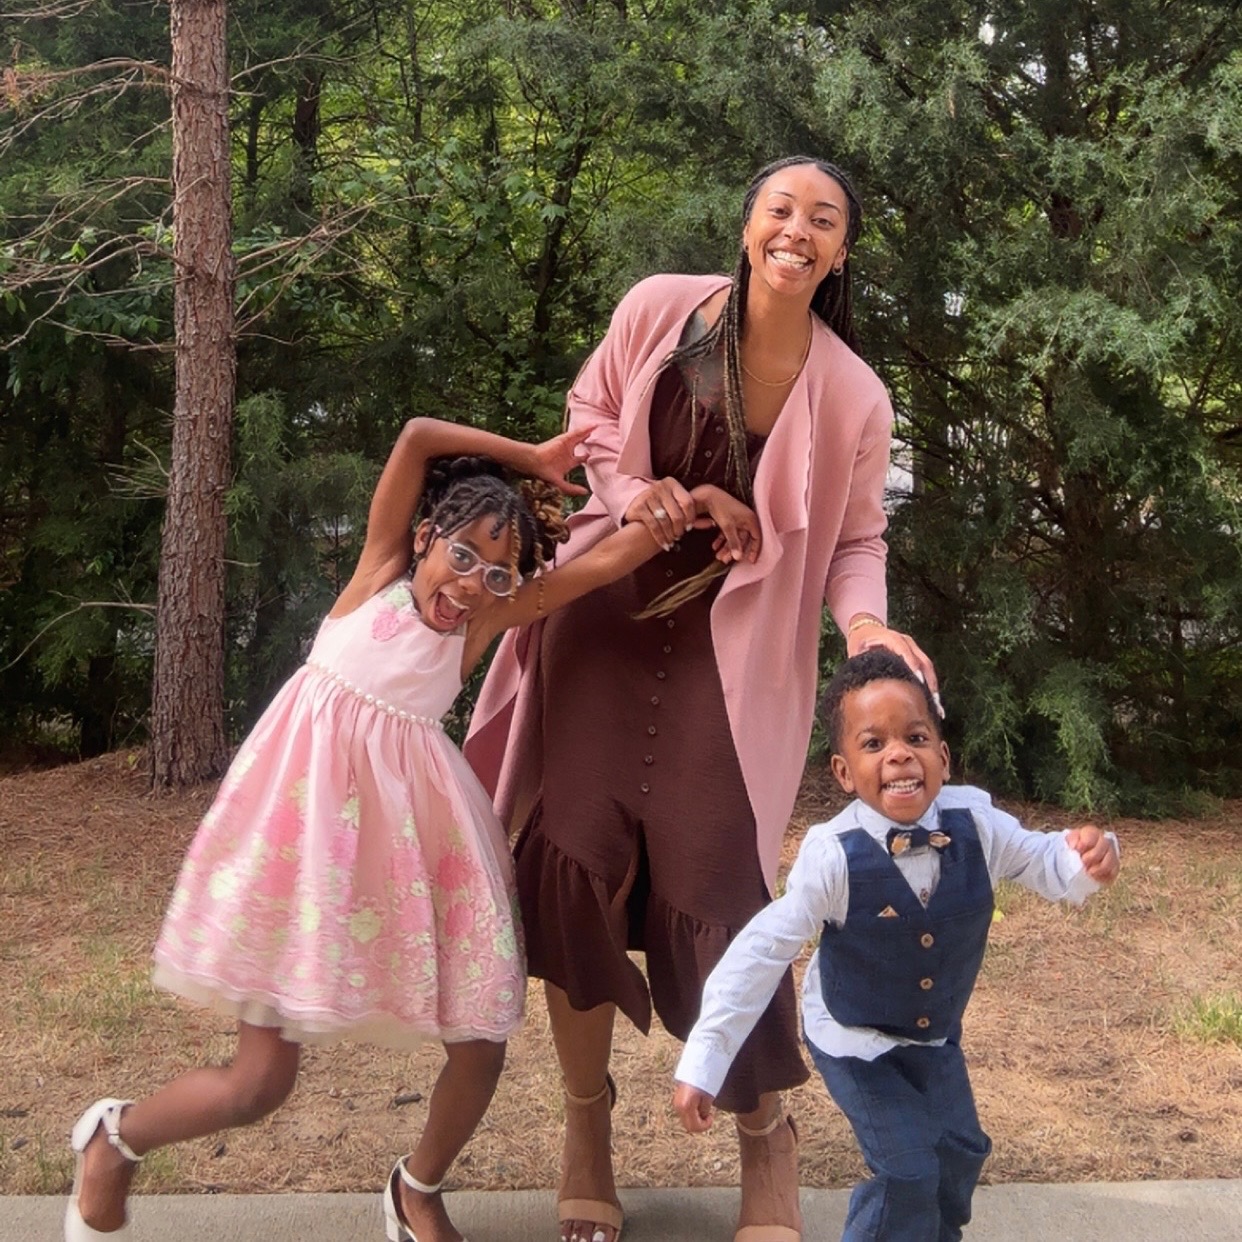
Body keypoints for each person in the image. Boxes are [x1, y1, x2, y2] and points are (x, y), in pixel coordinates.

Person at [64, 416, 761, 1242]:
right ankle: (116, 1137)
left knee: (482, 1040)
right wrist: (530, 457)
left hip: (411, 850)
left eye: (497, 574)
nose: (470, 584)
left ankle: (416, 1187)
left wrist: (697, 501)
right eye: (461, 556)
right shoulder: (375, 578)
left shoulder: (481, 623)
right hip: (305, 853)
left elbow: (607, 561)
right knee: (259, 1084)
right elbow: (417, 438)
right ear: (426, 537)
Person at [465, 155, 938, 1242]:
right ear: (749, 223)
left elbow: (857, 540)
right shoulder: (659, 311)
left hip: (732, 667)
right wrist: (640, 493)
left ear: (841, 253)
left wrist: (867, 628)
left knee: (722, 891)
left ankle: (765, 1138)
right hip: (600, 626)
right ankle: (587, 1128)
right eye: (782, 209)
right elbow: (589, 415)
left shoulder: (855, 396)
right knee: (576, 870)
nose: (798, 230)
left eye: (824, 219)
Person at [673, 649, 1120, 1242]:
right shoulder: (832, 856)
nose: (899, 754)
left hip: (933, 1033)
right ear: (843, 772)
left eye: (915, 737)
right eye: (873, 744)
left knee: (959, 1152)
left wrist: (1086, 857)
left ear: (943, 756)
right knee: (907, 1171)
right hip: (853, 1036)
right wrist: (706, 1059)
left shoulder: (976, 822)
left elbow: (1042, 858)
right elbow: (762, 950)